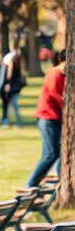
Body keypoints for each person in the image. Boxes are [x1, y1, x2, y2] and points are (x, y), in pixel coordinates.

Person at [26, 51, 66, 187]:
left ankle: (61, 180)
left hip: (55, 118)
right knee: (51, 153)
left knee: (61, 153)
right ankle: (31, 184)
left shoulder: (64, 75)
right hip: (47, 117)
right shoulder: (55, 73)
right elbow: (53, 93)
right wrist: (67, 103)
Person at [1, 45, 26, 128]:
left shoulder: (10, 70)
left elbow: (7, 79)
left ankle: (6, 121)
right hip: (16, 90)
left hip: (11, 90)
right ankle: (16, 121)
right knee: (14, 106)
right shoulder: (19, 69)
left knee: (8, 106)